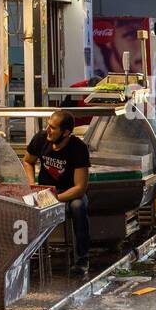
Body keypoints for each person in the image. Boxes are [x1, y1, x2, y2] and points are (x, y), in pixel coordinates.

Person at [23, 111, 91, 276]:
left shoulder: (78, 148)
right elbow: (27, 161)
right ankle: (29, 258)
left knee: (78, 206)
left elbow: (80, 187)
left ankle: (82, 259)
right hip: (45, 192)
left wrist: (54, 199)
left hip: (70, 194)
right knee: (23, 207)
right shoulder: (40, 139)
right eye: (48, 125)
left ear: (66, 132)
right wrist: (32, 184)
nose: (48, 130)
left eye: (53, 128)